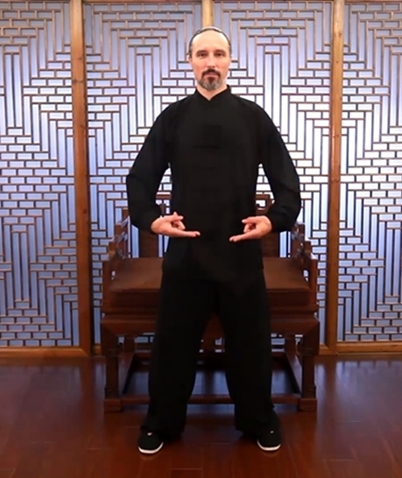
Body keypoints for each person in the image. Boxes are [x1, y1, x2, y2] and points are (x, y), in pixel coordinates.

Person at [125, 26, 302, 455]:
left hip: (240, 252)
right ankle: (161, 422)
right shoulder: (173, 118)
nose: (210, 62)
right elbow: (140, 178)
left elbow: (288, 183)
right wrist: (152, 221)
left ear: (229, 62)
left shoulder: (253, 117)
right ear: (190, 62)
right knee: (172, 345)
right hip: (186, 253)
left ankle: (259, 419)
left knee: (251, 345)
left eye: (218, 54)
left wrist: (273, 221)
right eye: (202, 54)